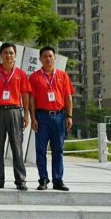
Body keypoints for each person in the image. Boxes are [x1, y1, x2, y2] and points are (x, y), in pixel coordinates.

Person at [0, 42, 31, 191]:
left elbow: (25, 95)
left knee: (17, 147)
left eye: (11, 53)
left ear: (15, 55)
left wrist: (26, 115)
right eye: (5, 53)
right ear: (0, 55)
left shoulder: (21, 74)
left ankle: (21, 180)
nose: (8, 55)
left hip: (15, 111)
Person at [29, 46, 74, 191]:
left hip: (59, 116)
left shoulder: (62, 75)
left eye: (51, 56)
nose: (48, 59)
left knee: (58, 150)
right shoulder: (35, 77)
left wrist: (69, 115)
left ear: (54, 58)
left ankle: (58, 180)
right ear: (40, 59)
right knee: (41, 150)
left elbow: (68, 97)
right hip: (42, 116)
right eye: (45, 56)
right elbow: (32, 100)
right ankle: (43, 179)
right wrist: (33, 118)